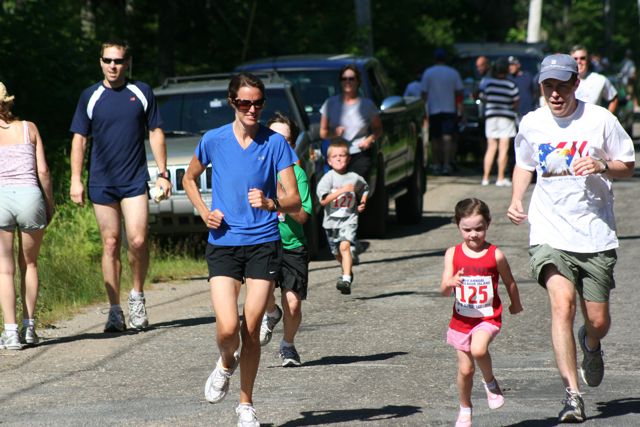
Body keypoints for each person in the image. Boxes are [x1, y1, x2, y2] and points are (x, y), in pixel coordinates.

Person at [507, 53, 635, 423]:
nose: (555, 93)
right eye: (548, 86)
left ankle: (590, 343)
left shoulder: (600, 120)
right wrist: (516, 198)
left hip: (594, 235)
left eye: (562, 86)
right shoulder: (532, 122)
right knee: (562, 306)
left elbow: (628, 165)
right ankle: (572, 396)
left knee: (598, 321)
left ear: (576, 84)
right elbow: (524, 164)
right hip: (550, 231)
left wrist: (601, 165)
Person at [182, 73, 300, 427]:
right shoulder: (214, 139)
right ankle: (224, 363)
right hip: (223, 243)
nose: (252, 109)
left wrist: (270, 202)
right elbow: (189, 178)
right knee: (227, 329)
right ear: (232, 102)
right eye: (245, 102)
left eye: (258, 103)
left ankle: (246, 404)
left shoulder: (275, 143)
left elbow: (294, 199)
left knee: (250, 329)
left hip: (263, 243)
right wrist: (204, 212)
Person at [69, 40, 171, 333]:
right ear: (100, 62)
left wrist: (163, 173)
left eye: (118, 61)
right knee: (111, 243)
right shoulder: (90, 96)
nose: (112, 66)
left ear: (127, 63)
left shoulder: (141, 91)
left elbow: (156, 131)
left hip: (134, 179)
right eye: (107, 60)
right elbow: (79, 139)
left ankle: (137, 296)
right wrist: (76, 179)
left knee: (137, 240)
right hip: (102, 181)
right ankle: (114, 310)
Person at [441, 198, 522, 427]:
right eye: (467, 230)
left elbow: (510, 281)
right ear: (458, 226)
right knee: (465, 370)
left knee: (479, 349)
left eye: (479, 228)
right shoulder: (452, 254)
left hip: (487, 317)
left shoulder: (495, 255)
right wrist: (450, 283)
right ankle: (465, 408)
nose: (473, 234)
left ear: (488, 224)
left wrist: (515, 303)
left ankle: (490, 382)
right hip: (461, 321)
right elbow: (443, 289)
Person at [0, 82, 54, 349]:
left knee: (4, 268)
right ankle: (29, 328)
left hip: (1, 198)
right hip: (30, 197)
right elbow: (43, 171)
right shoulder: (28, 128)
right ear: (7, 102)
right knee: (29, 264)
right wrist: (49, 204)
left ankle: (10, 333)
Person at [259, 113, 312, 368]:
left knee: (293, 303)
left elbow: (302, 216)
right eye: (274, 139)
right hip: (262, 243)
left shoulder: (298, 174)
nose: (280, 145)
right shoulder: (256, 170)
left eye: (286, 141)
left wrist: (280, 198)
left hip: (292, 246)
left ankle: (288, 345)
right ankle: (271, 313)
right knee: (262, 294)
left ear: (292, 145)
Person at [317, 141, 368, 295]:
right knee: (336, 253)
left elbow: (365, 188)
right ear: (329, 161)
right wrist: (342, 191)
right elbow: (323, 201)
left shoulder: (354, 178)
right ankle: (347, 269)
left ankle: (346, 280)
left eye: (342, 155)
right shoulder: (327, 178)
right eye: (335, 156)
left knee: (344, 247)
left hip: (349, 219)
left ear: (348, 158)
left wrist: (362, 202)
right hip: (331, 223)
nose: (339, 159)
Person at [319, 64, 383, 181]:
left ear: (358, 81)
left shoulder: (367, 105)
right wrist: (335, 133)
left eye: (351, 78)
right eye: (344, 79)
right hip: (337, 155)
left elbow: (378, 129)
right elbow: (323, 133)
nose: (347, 82)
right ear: (340, 82)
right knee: (337, 189)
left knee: (354, 187)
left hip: (359, 153)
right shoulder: (330, 103)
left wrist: (369, 140)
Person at [421, 48, 463, 175]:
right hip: (449, 109)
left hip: (434, 109)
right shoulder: (453, 73)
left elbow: (423, 94)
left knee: (435, 138)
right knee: (447, 137)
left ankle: (436, 164)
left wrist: (424, 111)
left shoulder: (428, 72)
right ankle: (446, 164)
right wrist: (460, 109)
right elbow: (459, 92)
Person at [479, 57, 519, 187]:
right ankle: (500, 178)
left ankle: (485, 178)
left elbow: (483, 98)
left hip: (491, 117)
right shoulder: (511, 85)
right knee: (503, 149)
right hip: (506, 118)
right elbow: (516, 103)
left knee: (491, 148)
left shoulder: (489, 84)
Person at [570, 45, 618, 113]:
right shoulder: (564, 80)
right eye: (575, 59)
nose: (579, 61)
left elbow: (614, 98)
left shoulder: (600, 80)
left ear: (588, 60)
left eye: (582, 58)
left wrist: (608, 117)